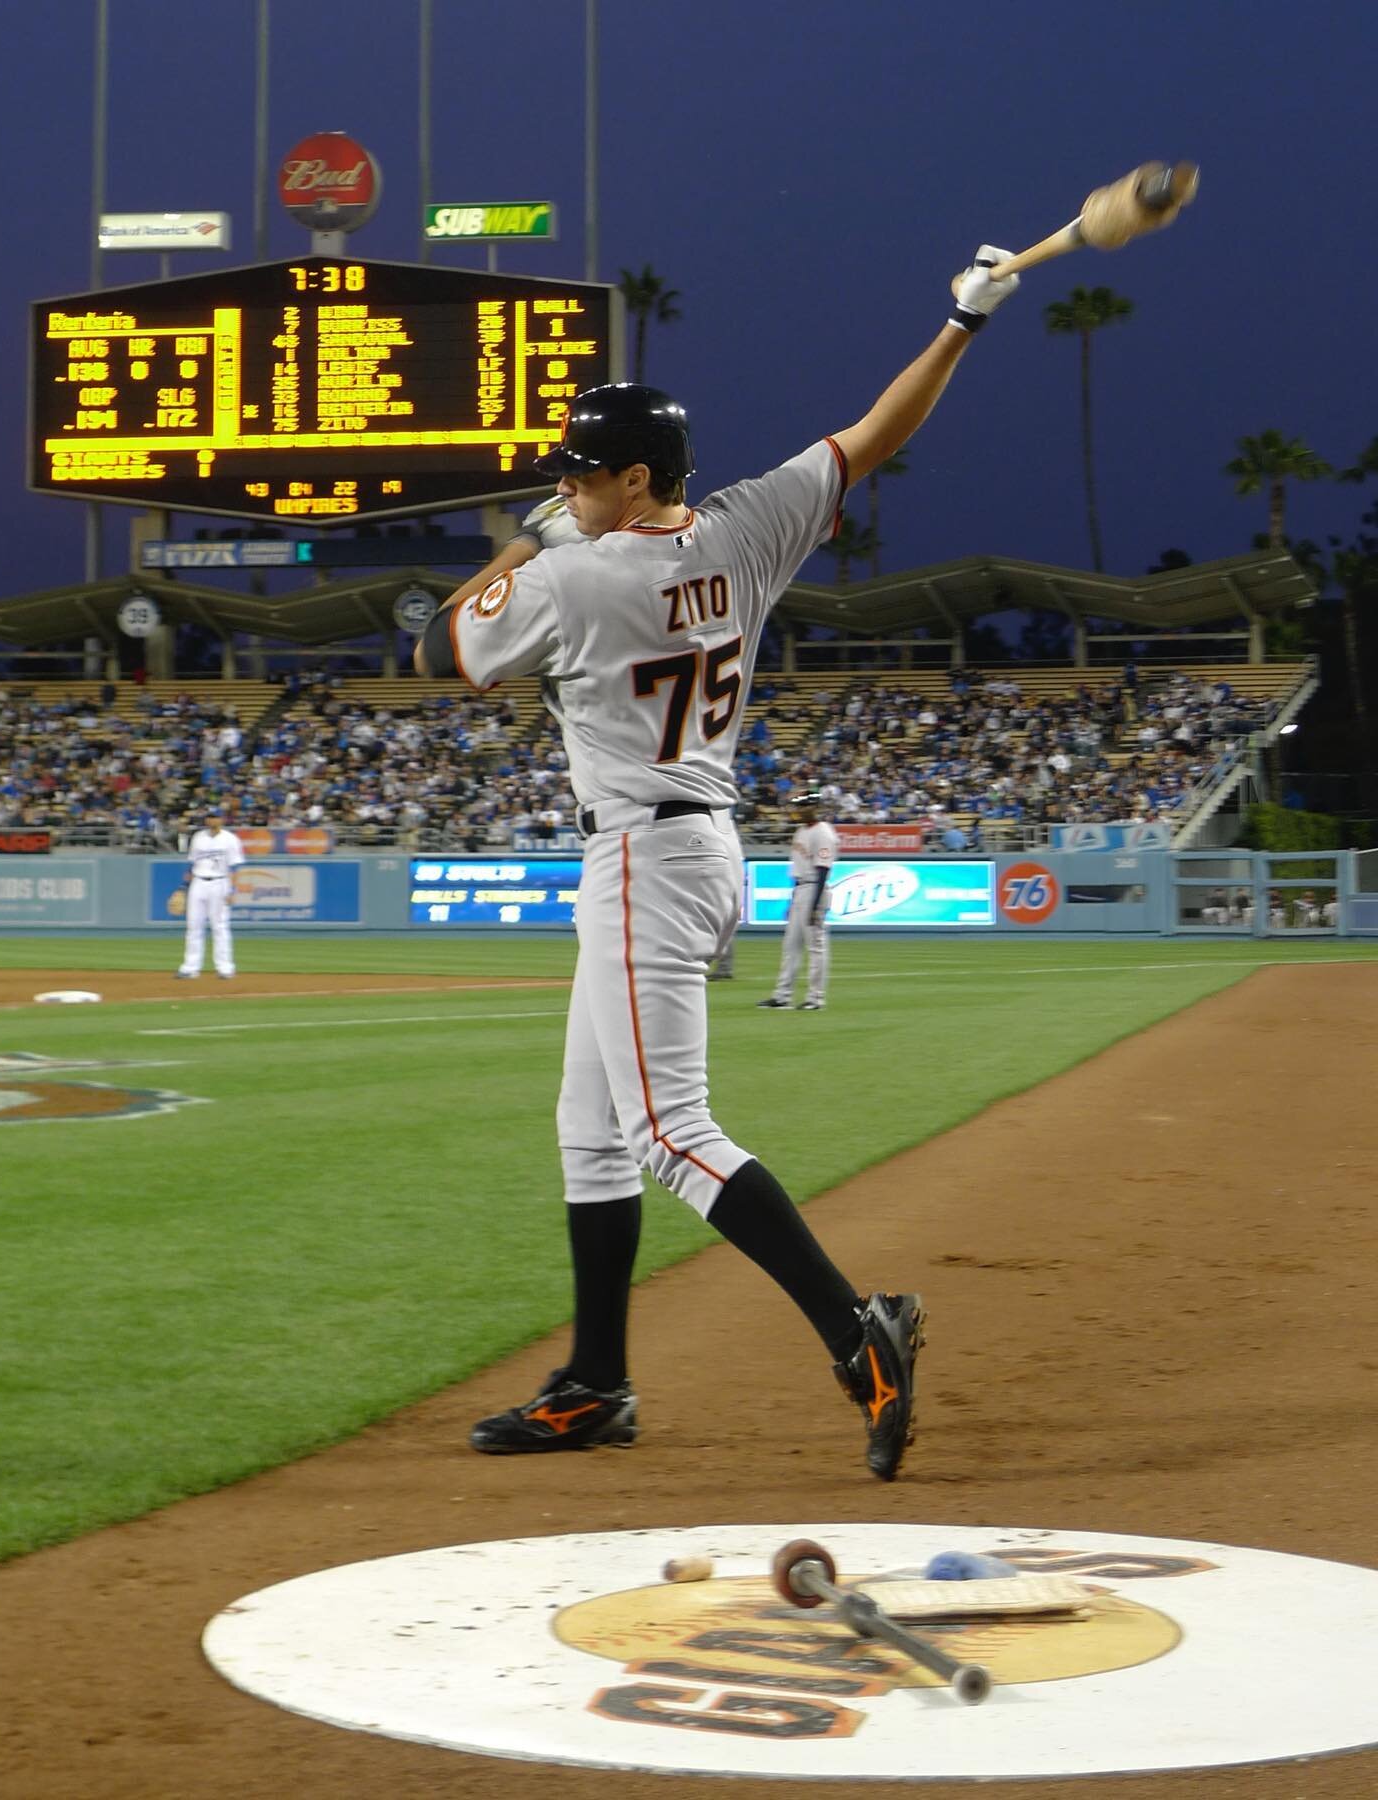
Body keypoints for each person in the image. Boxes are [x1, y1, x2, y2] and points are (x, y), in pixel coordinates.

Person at [413, 245, 1020, 1480]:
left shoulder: (574, 577)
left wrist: (525, 548)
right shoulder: (748, 526)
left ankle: (861, 1333)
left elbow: (437, 653)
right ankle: (595, 1383)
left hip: (642, 857)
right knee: (591, 1132)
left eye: (585, 474)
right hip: (703, 842)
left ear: (637, 479)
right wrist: (961, 320)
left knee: (667, 1132)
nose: (569, 488)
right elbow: (868, 437)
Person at [757, 792, 838, 1010]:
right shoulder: (801, 830)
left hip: (815, 888)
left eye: (801, 806)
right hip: (801, 888)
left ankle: (815, 998)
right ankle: (782, 996)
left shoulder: (823, 832)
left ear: (813, 807)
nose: (797, 810)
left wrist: (813, 906)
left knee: (816, 947)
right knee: (790, 946)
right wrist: (793, 900)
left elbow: (822, 870)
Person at [176, 805, 246, 979]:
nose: (212, 819)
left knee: (220, 926)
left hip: (220, 882)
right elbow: (191, 863)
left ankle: (225, 968)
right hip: (198, 882)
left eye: (215, 816)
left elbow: (235, 867)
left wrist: (233, 890)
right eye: (209, 816)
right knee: (193, 926)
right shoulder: (198, 838)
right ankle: (190, 968)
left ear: (222, 819)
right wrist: (183, 888)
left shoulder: (230, 839)